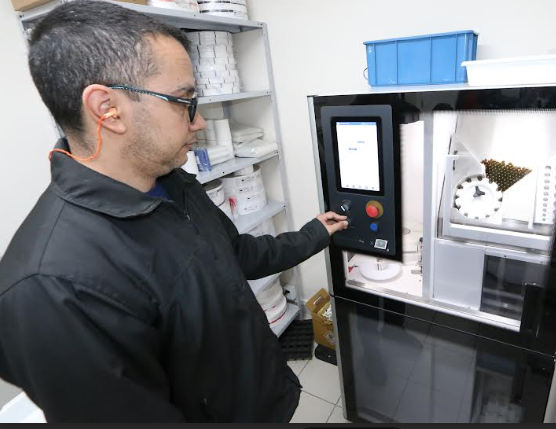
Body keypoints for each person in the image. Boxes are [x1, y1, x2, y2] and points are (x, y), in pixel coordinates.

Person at [0, 0, 348, 423]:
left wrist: (314, 233)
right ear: (107, 109)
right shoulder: (51, 290)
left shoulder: (171, 182)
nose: (198, 122)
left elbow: (235, 255)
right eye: (183, 100)